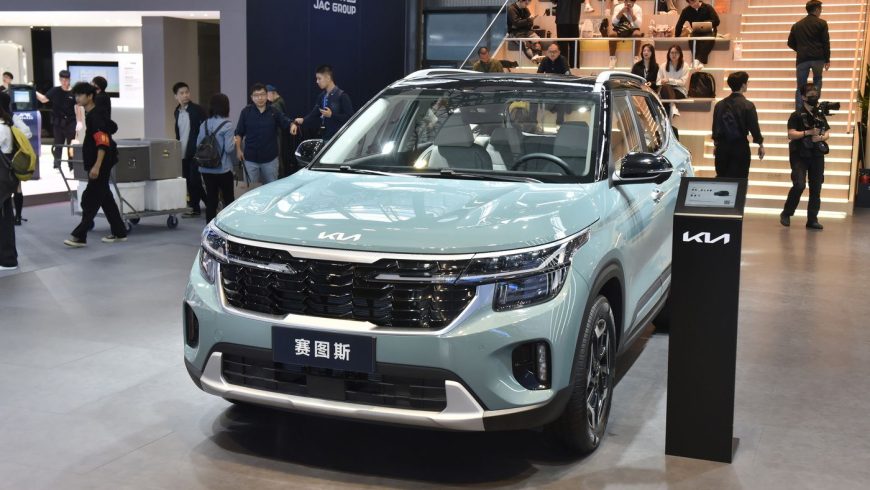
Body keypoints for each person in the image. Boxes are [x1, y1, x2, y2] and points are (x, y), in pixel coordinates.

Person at [63, 82, 126, 248]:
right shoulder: (92, 114)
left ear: (90, 96)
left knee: (91, 199)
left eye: (80, 95)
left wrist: (97, 166)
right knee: (105, 198)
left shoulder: (96, 116)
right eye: (76, 95)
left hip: (101, 162)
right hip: (101, 161)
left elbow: (102, 143)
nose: (77, 98)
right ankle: (119, 232)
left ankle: (80, 235)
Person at [781, 83, 829, 230]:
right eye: (811, 95)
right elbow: (791, 134)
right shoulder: (796, 115)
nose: (814, 97)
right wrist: (808, 133)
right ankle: (787, 212)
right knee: (799, 185)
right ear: (803, 97)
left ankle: (812, 219)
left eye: (816, 95)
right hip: (799, 154)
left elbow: (827, 132)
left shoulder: (819, 114)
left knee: (816, 187)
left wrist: (820, 138)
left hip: (817, 154)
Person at [235, 83, 294, 187]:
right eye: (256, 95)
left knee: (271, 189)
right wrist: (238, 150)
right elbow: (239, 133)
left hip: (270, 160)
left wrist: (292, 125)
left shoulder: (274, 111)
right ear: (252, 97)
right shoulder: (246, 112)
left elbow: (286, 121)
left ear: (267, 95)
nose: (260, 98)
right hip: (250, 159)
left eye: (262, 94)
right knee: (251, 190)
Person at [711, 71, 765, 178]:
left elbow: (715, 127)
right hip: (740, 147)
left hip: (722, 147)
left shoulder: (719, 105)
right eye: (747, 82)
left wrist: (716, 144)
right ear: (743, 85)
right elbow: (754, 127)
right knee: (739, 180)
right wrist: (760, 144)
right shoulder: (748, 105)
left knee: (722, 179)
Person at [0, 98, 31, 270]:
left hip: (2, 176)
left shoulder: (3, 126)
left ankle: (8, 259)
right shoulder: (9, 122)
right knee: (5, 215)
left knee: (4, 218)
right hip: (6, 176)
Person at [196, 93, 236, 222]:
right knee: (228, 200)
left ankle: (209, 229)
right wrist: (234, 141)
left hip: (206, 168)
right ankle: (228, 226)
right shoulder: (227, 125)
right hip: (223, 169)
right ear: (226, 107)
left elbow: (198, 145)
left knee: (211, 200)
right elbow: (229, 149)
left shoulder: (204, 124)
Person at [291, 65, 354, 142]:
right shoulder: (321, 96)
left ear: (328, 78)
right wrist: (302, 120)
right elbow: (314, 114)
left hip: (339, 139)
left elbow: (350, 118)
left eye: (319, 78)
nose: (317, 81)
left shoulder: (342, 96)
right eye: (317, 79)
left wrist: (332, 115)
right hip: (325, 138)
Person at [172, 81, 207, 218]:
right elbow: (179, 133)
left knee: (195, 180)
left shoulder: (197, 110)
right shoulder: (177, 112)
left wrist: (201, 147)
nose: (185, 95)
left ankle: (197, 207)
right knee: (188, 180)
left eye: (187, 92)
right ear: (176, 96)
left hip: (196, 151)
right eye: (182, 93)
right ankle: (205, 205)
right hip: (182, 151)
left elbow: (206, 129)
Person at [36, 70, 83, 168]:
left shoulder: (74, 92)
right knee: (58, 144)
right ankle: (57, 165)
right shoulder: (55, 90)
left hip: (70, 122)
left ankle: (72, 166)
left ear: (69, 79)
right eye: (62, 80)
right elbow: (44, 99)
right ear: (60, 80)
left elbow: (78, 107)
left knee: (70, 145)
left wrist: (79, 121)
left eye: (66, 80)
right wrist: (33, 91)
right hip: (58, 122)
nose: (64, 82)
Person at [788, 0, 830, 110]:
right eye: (820, 9)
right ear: (816, 9)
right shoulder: (822, 23)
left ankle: (799, 110)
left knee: (801, 86)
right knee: (817, 79)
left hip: (802, 59)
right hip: (818, 58)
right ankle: (813, 106)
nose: (821, 11)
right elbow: (825, 42)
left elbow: (790, 43)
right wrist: (827, 59)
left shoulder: (797, 25)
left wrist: (800, 50)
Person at [675, 0, 720, 69]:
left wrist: (706, 23)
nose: (693, 4)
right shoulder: (686, 11)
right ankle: (700, 62)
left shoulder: (708, 7)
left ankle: (697, 60)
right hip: (696, 31)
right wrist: (676, 37)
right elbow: (679, 24)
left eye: (694, 2)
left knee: (708, 39)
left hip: (709, 31)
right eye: (691, 3)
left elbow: (717, 21)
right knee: (692, 40)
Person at [657, 44, 691, 118]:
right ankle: (672, 107)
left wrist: (669, 80)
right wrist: (662, 81)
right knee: (666, 88)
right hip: (665, 90)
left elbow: (682, 82)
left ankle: (666, 118)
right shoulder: (663, 65)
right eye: (672, 53)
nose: (674, 55)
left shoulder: (685, 66)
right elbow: (658, 81)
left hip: (679, 91)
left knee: (666, 96)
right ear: (669, 54)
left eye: (676, 53)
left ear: (680, 54)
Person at [267, 84, 293, 177]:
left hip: (278, 134)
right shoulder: (281, 101)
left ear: (272, 93)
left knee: (278, 157)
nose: (266, 98)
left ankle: (279, 177)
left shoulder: (275, 105)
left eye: (267, 95)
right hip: (282, 133)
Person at [609, 0, 643, 69]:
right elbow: (614, 22)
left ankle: (635, 58)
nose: (628, 4)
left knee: (637, 34)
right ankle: (612, 58)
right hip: (619, 28)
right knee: (612, 35)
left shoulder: (638, 8)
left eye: (630, 2)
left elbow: (638, 25)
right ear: (624, 1)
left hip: (632, 28)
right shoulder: (618, 7)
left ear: (634, 2)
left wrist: (632, 14)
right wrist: (621, 12)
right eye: (627, 1)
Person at [554, 0, 582, 68]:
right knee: (574, 45)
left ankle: (563, 68)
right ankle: (575, 68)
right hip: (574, 19)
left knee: (563, 46)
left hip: (562, 18)